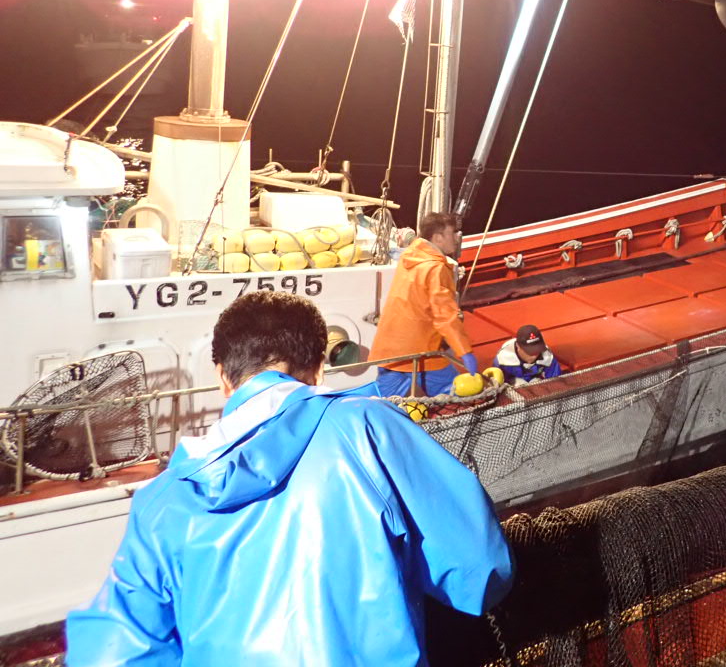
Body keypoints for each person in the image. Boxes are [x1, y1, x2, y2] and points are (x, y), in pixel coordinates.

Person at [65, 291, 513, 667]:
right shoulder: (370, 430)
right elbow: (481, 572)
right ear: (318, 367)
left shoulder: (161, 499)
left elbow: (110, 652)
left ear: (223, 377)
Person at [370, 211, 479, 398]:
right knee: (458, 396)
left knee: (387, 406)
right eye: (452, 233)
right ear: (438, 237)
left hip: (389, 351)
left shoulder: (409, 257)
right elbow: (445, 316)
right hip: (419, 353)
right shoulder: (436, 268)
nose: (456, 238)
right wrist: (465, 352)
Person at [495, 324, 563, 385]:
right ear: (518, 346)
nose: (534, 355)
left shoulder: (547, 356)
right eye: (529, 351)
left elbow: (556, 383)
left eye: (537, 349)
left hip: (536, 382)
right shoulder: (503, 360)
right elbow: (497, 385)